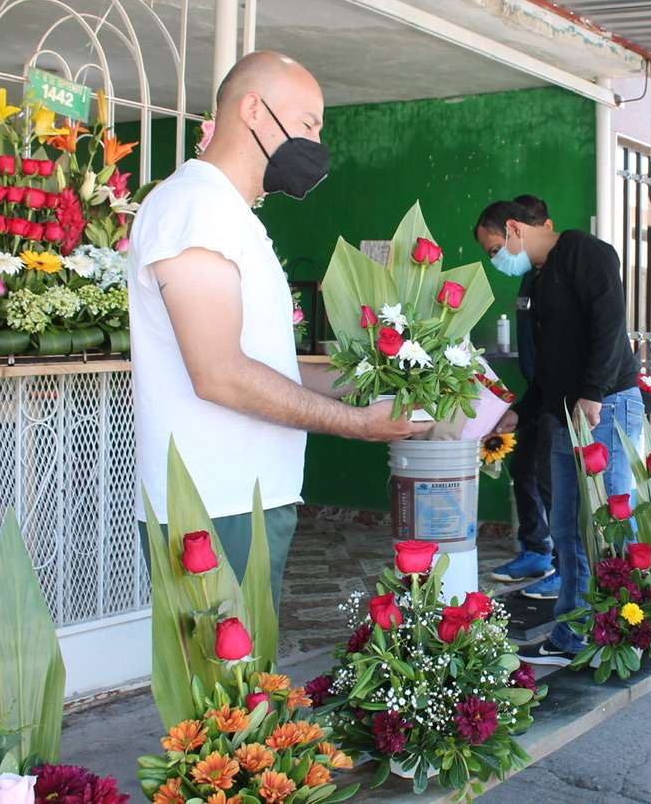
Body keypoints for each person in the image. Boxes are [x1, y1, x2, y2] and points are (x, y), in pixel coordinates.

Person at [129, 51, 430, 609]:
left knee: (246, 683)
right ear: (253, 111)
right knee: (221, 689)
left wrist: (388, 391)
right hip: (214, 506)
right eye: (309, 123)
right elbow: (221, 375)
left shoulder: (233, 216)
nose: (317, 142)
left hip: (250, 497)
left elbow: (272, 373)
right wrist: (358, 424)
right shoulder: (195, 209)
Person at [475, 200, 643, 665]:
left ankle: (629, 628)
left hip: (603, 407)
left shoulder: (585, 252)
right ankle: (575, 636)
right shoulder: (540, 278)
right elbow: (549, 364)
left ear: (513, 229)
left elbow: (610, 327)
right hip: (563, 413)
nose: (497, 260)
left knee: (609, 521)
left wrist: (592, 392)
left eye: (495, 249)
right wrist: (520, 412)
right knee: (567, 525)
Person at [486, 194, 556, 596]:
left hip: (558, 395)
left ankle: (564, 566)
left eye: (496, 249)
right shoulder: (531, 276)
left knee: (551, 477)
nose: (497, 259)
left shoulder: (561, 271)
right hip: (536, 392)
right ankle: (536, 550)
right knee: (524, 468)